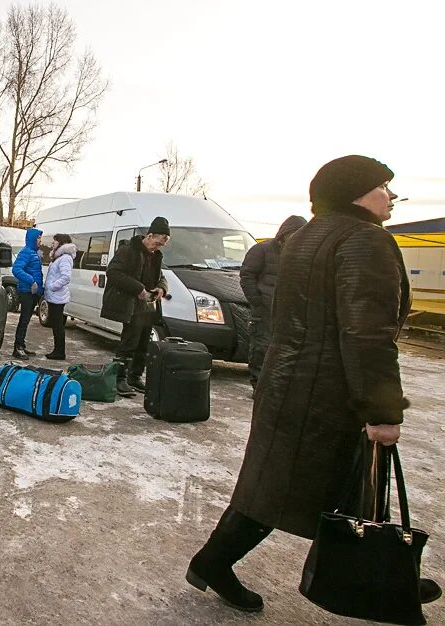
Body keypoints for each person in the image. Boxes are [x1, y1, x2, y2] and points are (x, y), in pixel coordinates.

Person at [186, 155, 441, 613]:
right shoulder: (365, 241)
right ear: (357, 192)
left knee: (281, 485)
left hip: (287, 386)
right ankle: (376, 575)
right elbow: (367, 334)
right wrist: (381, 411)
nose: (392, 197)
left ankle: (384, 576)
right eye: (385, 187)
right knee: (308, 488)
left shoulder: (304, 239)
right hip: (330, 396)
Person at [100, 217, 170, 396]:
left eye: (161, 245)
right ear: (149, 235)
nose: (158, 247)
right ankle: (119, 378)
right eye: (157, 243)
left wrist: (161, 288)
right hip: (130, 303)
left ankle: (135, 376)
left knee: (143, 343)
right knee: (129, 341)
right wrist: (138, 289)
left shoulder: (156, 256)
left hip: (147, 306)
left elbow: (161, 276)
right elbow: (113, 272)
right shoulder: (127, 250)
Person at [238, 215, 306, 392]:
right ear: (285, 233)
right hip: (265, 310)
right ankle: (259, 387)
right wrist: (257, 301)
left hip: (289, 311)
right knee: (261, 348)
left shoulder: (300, 254)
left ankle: (278, 388)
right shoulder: (262, 250)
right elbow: (247, 275)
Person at [10, 227, 43, 359]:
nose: (40, 240)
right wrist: (31, 281)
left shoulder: (34, 253)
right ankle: (17, 348)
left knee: (26, 319)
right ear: (33, 239)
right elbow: (16, 269)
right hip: (26, 291)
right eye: (38, 238)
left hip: (33, 292)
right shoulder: (26, 252)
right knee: (24, 320)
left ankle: (21, 345)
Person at [43, 234, 76, 360]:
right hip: (54, 296)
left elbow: (66, 277)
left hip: (58, 296)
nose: (53, 244)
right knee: (56, 324)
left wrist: (52, 286)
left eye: (55, 242)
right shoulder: (59, 257)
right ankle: (57, 350)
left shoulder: (65, 258)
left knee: (58, 325)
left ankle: (59, 352)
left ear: (62, 243)